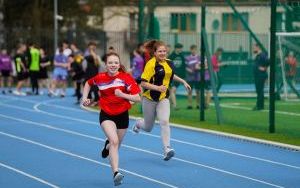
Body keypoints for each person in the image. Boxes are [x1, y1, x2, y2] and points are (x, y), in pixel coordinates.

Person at [81, 52, 141, 186]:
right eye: (110, 63)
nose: (113, 65)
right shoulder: (100, 77)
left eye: (115, 63)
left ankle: (106, 146)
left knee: (116, 144)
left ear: (119, 65)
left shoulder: (126, 78)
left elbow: (137, 98)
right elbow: (88, 83)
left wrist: (123, 95)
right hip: (106, 114)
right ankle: (116, 173)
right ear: (106, 65)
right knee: (114, 141)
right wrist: (85, 98)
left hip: (122, 115)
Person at [132, 40, 191, 161]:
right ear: (154, 52)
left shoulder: (169, 63)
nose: (163, 53)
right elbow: (143, 83)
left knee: (164, 121)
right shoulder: (150, 64)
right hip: (149, 98)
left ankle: (167, 149)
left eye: (164, 51)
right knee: (148, 128)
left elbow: (170, 75)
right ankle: (138, 123)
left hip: (163, 98)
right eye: (160, 51)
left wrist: (183, 81)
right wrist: (157, 87)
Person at [168, 43, 186, 110]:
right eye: (180, 48)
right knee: (172, 90)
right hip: (172, 76)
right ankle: (174, 105)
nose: (181, 50)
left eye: (181, 48)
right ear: (176, 48)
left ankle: (168, 105)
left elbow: (183, 66)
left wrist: (183, 76)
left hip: (179, 76)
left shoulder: (182, 56)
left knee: (172, 92)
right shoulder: (171, 56)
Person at [252, 44, 269, 111]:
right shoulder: (258, 55)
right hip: (257, 75)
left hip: (261, 75)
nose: (253, 49)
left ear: (258, 47)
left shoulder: (262, 55)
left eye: (254, 48)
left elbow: (268, 61)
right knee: (259, 90)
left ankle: (259, 106)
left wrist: (264, 68)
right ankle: (260, 106)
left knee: (260, 90)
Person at [185, 44, 201, 109]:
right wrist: (189, 70)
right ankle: (190, 104)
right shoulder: (187, 58)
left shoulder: (199, 57)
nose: (194, 51)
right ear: (190, 50)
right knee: (189, 91)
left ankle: (198, 104)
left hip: (197, 77)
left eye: (195, 49)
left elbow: (201, 66)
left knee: (198, 91)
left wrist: (198, 68)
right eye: (193, 49)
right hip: (190, 77)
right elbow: (185, 67)